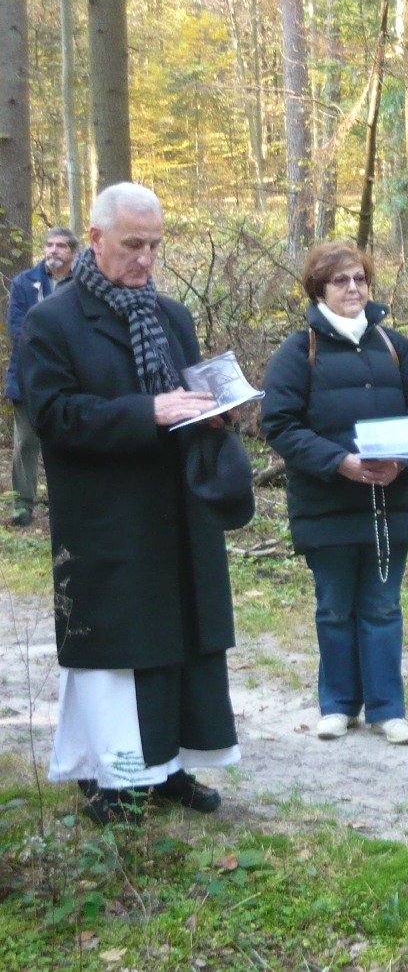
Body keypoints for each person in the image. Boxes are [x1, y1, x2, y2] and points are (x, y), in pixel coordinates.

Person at [22, 183, 253, 822]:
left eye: (154, 245)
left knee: (182, 646)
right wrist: (147, 412)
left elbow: (186, 396)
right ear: (95, 240)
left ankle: (170, 766)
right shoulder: (52, 322)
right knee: (117, 658)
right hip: (107, 519)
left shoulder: (172, 316)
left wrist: (214, 410)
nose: (146, 258)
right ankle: (114, 780)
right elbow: (54, 416)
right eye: (133, 245)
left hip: (178, 513)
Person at [262, 241, 408, 745]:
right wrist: (339, 462)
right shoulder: (298, 351)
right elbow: (279, 423)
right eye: (341, 281)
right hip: (326, 504)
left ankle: (387, 709)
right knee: (335, 608)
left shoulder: (393, 345)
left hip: (387, 503)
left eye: (360, 278)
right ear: (319, 288)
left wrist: (402, 463)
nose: (353, 288)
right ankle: (338, 705)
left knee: (382, 606)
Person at [6, 227, 77, 526]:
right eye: (49, 245)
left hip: (71, 377)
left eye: (61, 245)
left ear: (74, 252)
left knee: (68, 440)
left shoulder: (83, 283)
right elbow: (17, 329)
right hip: (27, 375)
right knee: (25, 442)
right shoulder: (25, 282)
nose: (53, 250)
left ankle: (69, 502)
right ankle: (22, 504)